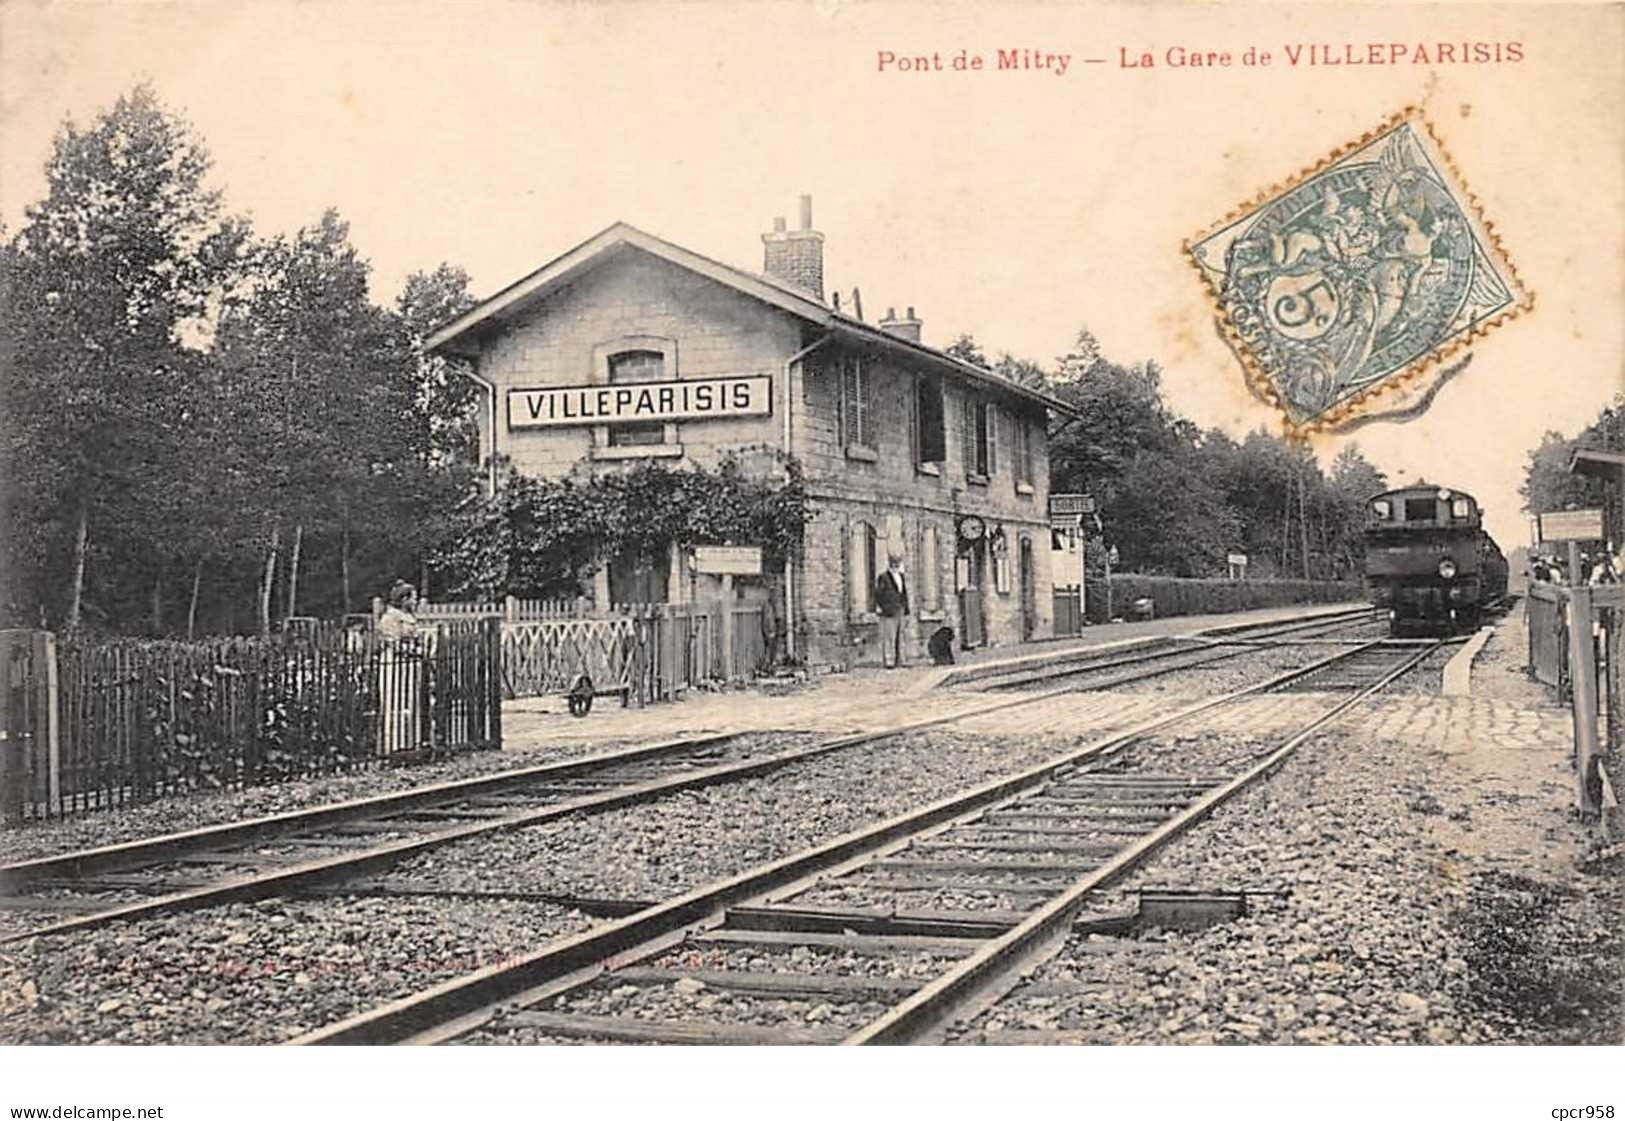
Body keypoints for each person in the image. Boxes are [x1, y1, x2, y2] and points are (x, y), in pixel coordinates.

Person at [873, 550, 910, 669]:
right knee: (890, 636)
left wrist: (906, 609)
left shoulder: (901, 576)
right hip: (889, 610)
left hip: (900, 609)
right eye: (894, 562)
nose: (896, 565)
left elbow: (904, 593)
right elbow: (878, 594)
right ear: (890, 563)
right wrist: (883, 607)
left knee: (901, 636)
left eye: (898, 562)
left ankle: (901, 660)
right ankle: (889, 661)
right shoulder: (883, 577)